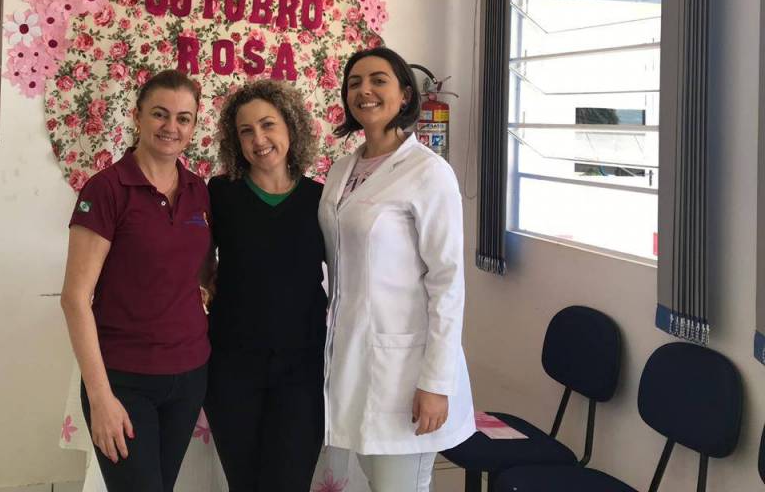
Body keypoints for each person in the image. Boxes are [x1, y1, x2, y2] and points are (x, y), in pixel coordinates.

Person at [319, 47, 475, 492]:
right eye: (354, 83)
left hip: (406, 370)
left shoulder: (429, 172)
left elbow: (447, 282)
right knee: (371, 480)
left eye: (378, 80)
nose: (364, 90)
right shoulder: (342, 169)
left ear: (405, 94)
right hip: (353, 360)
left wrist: (436, 383)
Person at [60, 70, 213, 492]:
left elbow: (200, 269)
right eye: (160, 114)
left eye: (183, 118)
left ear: (194, 126)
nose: (171, 127)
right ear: (137, 116)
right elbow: (75, 298)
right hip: (125, 380)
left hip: (189, 374)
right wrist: (100, 398)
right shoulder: (107, 189)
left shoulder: (199, 191)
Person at [203, 79, 327, 492]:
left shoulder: (321, 200)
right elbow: (195, 261)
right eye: (246, 130)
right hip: (232, 368)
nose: (258, 139)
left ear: (291, 126)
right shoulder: (220, 194)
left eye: (268, 124)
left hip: (302, 369)